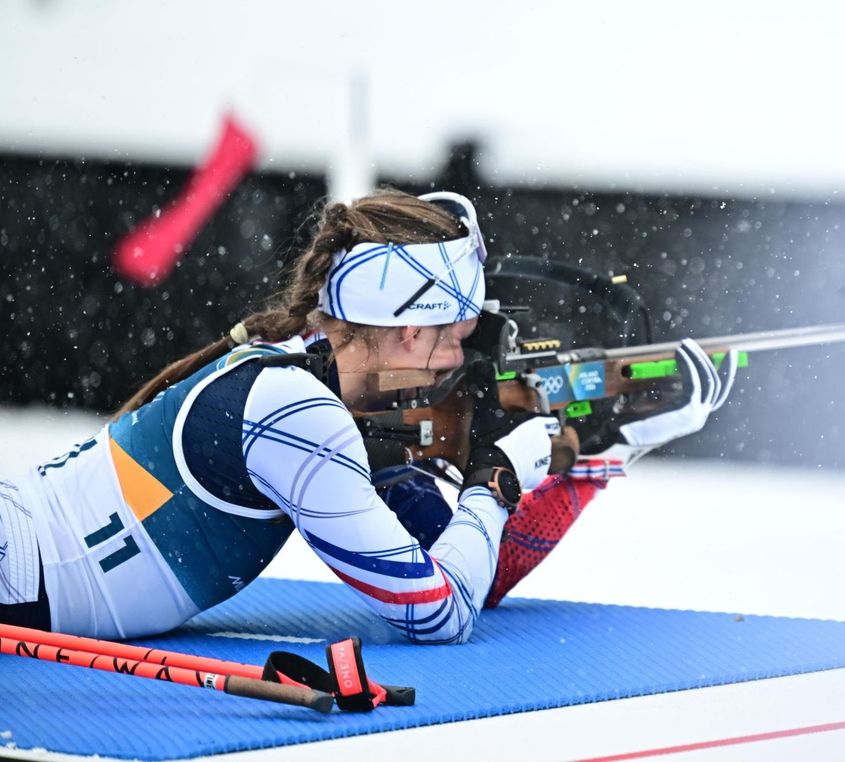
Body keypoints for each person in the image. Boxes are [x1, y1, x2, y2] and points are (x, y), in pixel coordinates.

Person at [0, 189, 734, 642]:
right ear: (410, 331)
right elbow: (438, 614)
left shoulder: (311, 369)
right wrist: (497, 478)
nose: (461, 359)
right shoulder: (299, 417)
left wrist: (599, 449)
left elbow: (475, 573)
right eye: (457, 336)